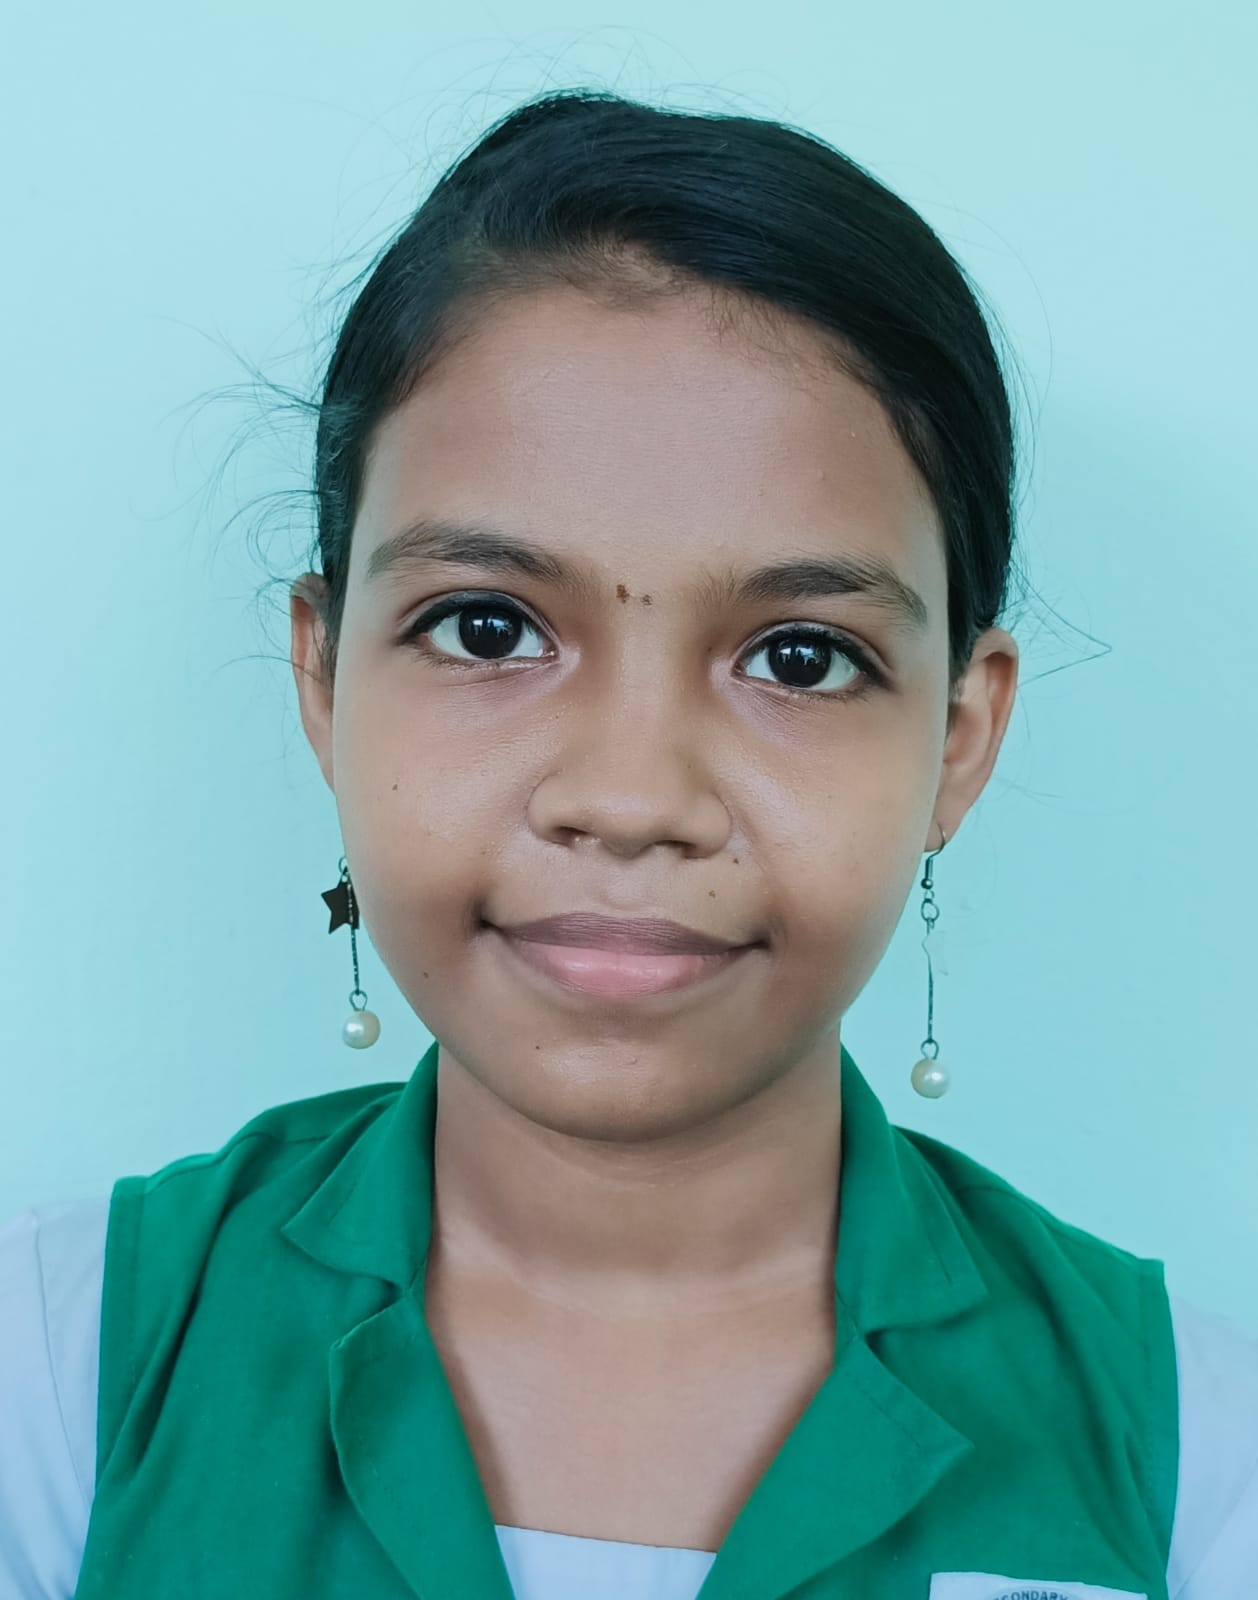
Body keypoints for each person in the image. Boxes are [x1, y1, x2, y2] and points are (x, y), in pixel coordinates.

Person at [2, 86, 1255, 1600]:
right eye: (487, 628)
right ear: (323, 682)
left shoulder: (1200, 1452)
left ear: (958, 736)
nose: (630, 796)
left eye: (799, 657)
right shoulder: (57, 1368)